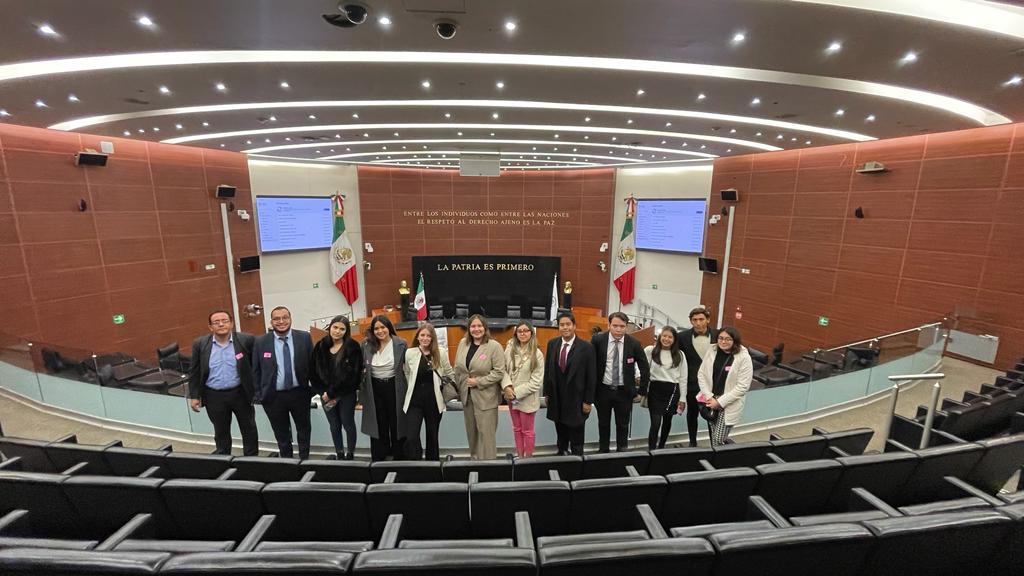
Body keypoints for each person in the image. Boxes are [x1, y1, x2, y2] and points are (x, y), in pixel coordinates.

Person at [188, 310, 259, 456]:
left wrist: (257, 390)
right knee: (221, 431)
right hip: (213, 396)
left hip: (241, 393)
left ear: (231, 323)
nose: (221, 324)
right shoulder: (200, 344)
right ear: (210, 327)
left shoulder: (246, 340)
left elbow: (256, 366)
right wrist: (194, 396)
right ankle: (223, 459)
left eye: (225, 321)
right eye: (216, 322)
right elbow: (194, 371)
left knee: (249, 429)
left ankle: (252, 461)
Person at [253, 306, 315, 459]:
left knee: (304, 431)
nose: (281, 321)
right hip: (273, 398)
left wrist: (313, 391)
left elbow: (313, 365)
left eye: (285, 317)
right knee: (281, 435)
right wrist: (259, 395)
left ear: (290, 318)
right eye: (276, 319)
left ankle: (304, 461)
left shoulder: (304, 338)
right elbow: (255, 370)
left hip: (299, 394)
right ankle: (287, 463)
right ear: (271, 321)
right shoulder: (261, 342)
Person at [591, 312, 650, 452]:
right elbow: (589, 365)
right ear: (609, 325)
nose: (618, 330)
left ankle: (622, 452)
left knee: (623, 425)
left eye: (622, 326)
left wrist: (642, 391)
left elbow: (645, 369)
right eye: (615, 326)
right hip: (603, 390)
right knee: (603, 424)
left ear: (626, 327)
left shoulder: (634, 343)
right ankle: (603, 451)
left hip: (624, 392)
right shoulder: (598, 340)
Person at [310, 315, 363, 460]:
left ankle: (350, 454)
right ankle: (339, 454)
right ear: (330, 327)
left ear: (346, 331)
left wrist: (335, 394)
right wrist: (324, 393)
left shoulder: (353, 347)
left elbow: (354, 376)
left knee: (348, 424)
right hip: (325, 394)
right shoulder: (320, 346)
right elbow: (313, 374)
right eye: (335, 327)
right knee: (334, 425)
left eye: (342, 329)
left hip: (346, 394)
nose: (338, 331)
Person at [454, 314, 506, 460]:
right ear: (469, 328)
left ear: (485, 327)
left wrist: (479, 382)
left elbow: (499, 372)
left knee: (486, 437)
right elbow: (458, 368)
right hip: (467, 397)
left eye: (479, 326)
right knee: (472, 434)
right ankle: (474, 463)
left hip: (486, 399)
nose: (476, 329)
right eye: (473, 326)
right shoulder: (463, 343)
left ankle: (488, 469)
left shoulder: (494, 346)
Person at [544, 311, 596, 456]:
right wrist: (546, 393)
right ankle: (561, 454)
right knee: (561, 434)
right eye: (562, 325)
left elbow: (592, 377)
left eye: (568, 324)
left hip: (577, 400)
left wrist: (588, 401)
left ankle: (577, 462)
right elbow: (548, 370)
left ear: (574, 326)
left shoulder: (586, 347)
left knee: (577, 439)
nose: (565, 327)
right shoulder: (552, 344)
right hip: (557, 398)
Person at [403, 323, 454, 460]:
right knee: (411, 436)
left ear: (432, 338)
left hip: (434, 401)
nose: (425, 338)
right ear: (418, 337)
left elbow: (449, 372)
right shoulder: (410, 353)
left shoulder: (440, 352)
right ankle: (416, 464)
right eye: (422, 335)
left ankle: (433, 467)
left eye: (428, 336)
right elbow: (407, 373)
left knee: (432, 437)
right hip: (414, 402)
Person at [360, 315, 408, 461]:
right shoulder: (366, 344)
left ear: (389, 328)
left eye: (383, 327)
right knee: (378, 423)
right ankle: (380, 457)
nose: (380, 331)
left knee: (396, 422)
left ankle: (398, 456)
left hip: (394, 387)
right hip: (374, 389)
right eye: (376, 328)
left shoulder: (401, 343)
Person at [697, 326, 753, 446]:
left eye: (728, 339)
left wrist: (719, 402)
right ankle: (716, 460)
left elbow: (743, 387)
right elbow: (701, 374)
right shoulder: (712, 350)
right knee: (713, 436)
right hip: (710, 400)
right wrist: (709, 397)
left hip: (728, 403)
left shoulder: (744, 357)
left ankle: (720, 461)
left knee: (718, 438)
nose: (723, 342)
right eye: (720, 338)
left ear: (735, 341)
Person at [678, 306, 719, 447]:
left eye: (701, 319)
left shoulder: (719, 335)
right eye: (694, 320)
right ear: (690, 321)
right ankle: (692, 443)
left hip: (713, 384)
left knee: (713, 415)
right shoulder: (681, 337)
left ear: (708, 320)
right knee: (692, 414)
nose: (698, 323)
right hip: (692, 384)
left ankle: (714, 442)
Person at [503, 320, 544, 458]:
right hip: (510, 397)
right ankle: (520, 456)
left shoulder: (537, 354)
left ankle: (528, 460)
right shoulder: (509, 350)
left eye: (526, 331)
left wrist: (516, 393)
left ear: (531, 333)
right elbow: (503, 371)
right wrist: (507, 387)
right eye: (520, 331)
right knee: (517, 429)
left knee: (527, 431)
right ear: (516, 334)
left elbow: (536, 382)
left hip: (526, 399)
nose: (523, 333)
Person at [644, 326, 687, 450]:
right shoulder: (650, 350)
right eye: (664, 336)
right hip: (655, 390)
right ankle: (651, 450)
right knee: (655, 423)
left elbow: (683, 378)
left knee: (667, 421)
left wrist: (682, 398)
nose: (666, 339)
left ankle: (661, 447)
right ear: (659, 337)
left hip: (672, 391)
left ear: (674, 339)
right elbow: (641, 367)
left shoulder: (680, 355)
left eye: (670, 337)